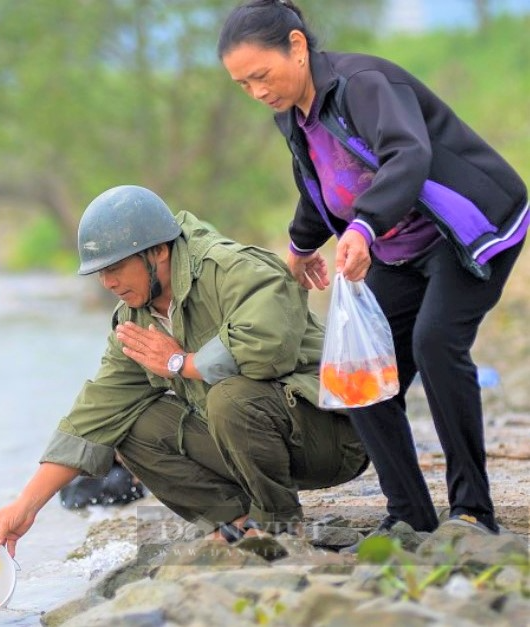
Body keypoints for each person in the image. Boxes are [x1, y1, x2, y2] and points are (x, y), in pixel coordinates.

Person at [217, 0, 527, 538]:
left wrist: (361, 227)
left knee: (435, 344)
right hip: (396, 247)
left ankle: (474, 512)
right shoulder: (290, 116)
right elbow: (320, 186)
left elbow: (408, 155)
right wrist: (300, 244)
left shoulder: (362, 84)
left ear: (295, 46)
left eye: (261, 76)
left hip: (469, 230)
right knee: (360, 371)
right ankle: (410, 513)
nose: (258, 91)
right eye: (244, 85)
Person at [0, 184, 368, 557]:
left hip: (334, 438)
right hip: (250, 447)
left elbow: (268, 349)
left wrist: (180, 363)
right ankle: (234, 522)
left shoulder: (232, 268)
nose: (108, 282)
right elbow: (94, 415)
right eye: (99, 272)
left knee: (229, 397)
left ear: (159, 252)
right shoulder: (134, 317)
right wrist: (26, 506)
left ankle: (279, 527)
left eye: (115, 267)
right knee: (128, 424)